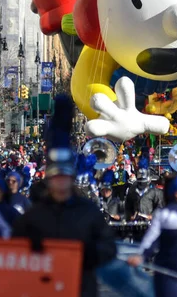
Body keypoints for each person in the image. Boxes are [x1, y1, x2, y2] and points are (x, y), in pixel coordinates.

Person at [12, 95, 116, 297]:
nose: (60, 183)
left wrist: (87, 253)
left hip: (80, 287)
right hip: (44, 288)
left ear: (71, 179)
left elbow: (108, 247)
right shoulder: (32, 216)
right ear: (48, 181)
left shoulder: (89, 211)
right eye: (55, 178)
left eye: (64, 177)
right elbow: (15, 250)